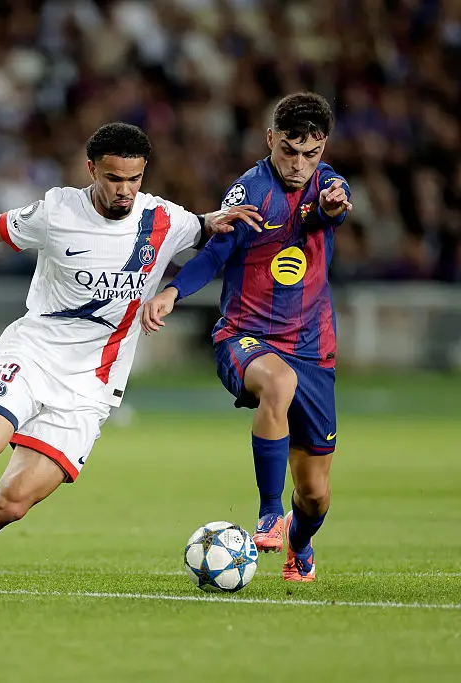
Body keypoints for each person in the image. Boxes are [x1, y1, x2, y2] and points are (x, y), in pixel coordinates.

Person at [0, 122, 263, 586]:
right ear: (92, 170)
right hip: (35, 355)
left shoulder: (165, 220)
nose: (124, 190)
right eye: (113, 178)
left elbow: (208, 231)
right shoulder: (57, 209)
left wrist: (222, 222)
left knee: (11, 504)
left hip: (92, 386)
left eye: (134, 179)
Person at [140, 93, 353, 582]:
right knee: (276, 383)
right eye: (289, 152)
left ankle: (299, 544)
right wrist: (172, 291)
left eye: (311, 154)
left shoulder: (330, 184)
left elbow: (328, 211)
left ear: (322, 148)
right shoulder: (249, 193)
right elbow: (214, 256)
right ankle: (268, 512)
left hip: (313, 349)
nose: (300, 165)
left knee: (317, 495)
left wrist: (329, 207)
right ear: (270, 139)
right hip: (245, 337)